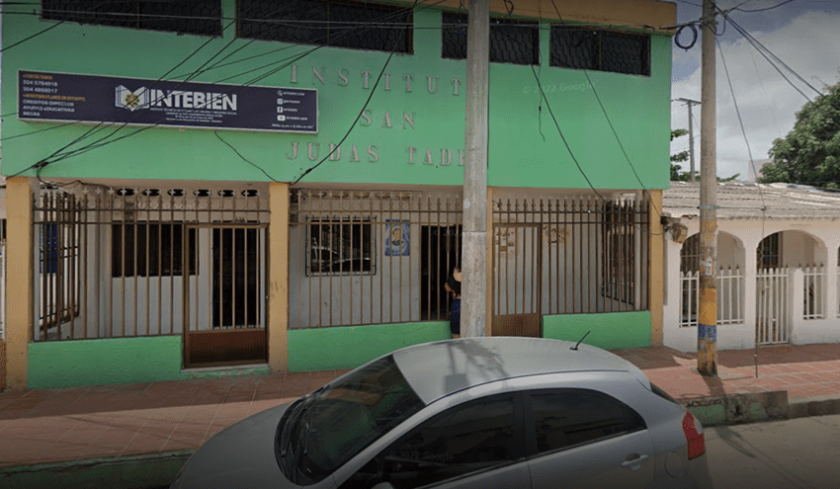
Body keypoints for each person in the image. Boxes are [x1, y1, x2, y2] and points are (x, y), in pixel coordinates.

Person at [444, 268, 462, 339]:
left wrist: (454, 273)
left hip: (457, 305)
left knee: (456, 334)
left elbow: (447, 287)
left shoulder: (456, 276)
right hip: (468, 304)